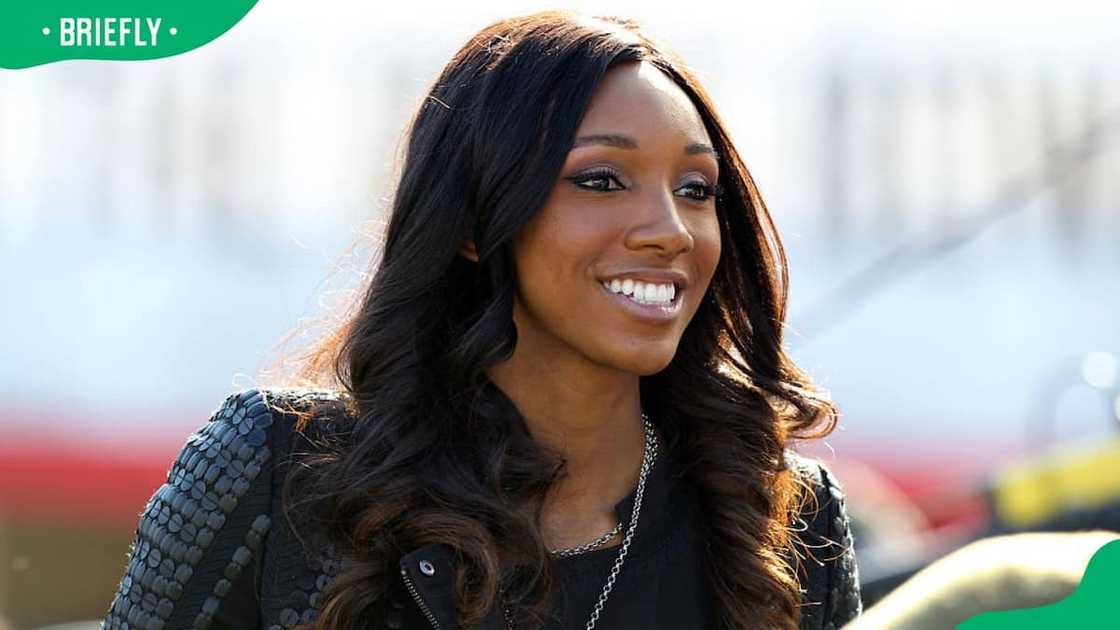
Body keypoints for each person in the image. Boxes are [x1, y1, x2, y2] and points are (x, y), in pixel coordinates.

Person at [101, 10, 861, 630]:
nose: (670, 229)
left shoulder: (783, 522)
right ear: (471, 220)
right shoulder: (275, 472)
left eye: (697, 189)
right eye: (601, 179)